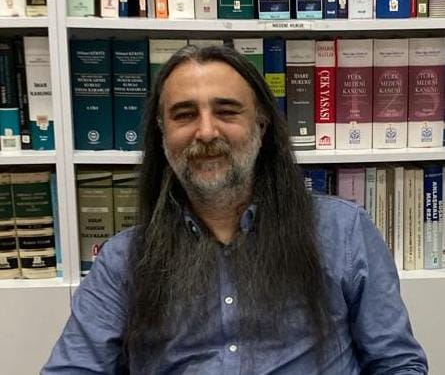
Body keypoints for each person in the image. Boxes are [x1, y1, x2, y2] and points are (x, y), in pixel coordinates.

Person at [42, 45, 428, 374]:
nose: (206, 132)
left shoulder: (343, 232)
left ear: (261, 123)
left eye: (226, 111)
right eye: (184, 114)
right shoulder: (124, 260)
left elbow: (398, 364)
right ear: (162, 134)